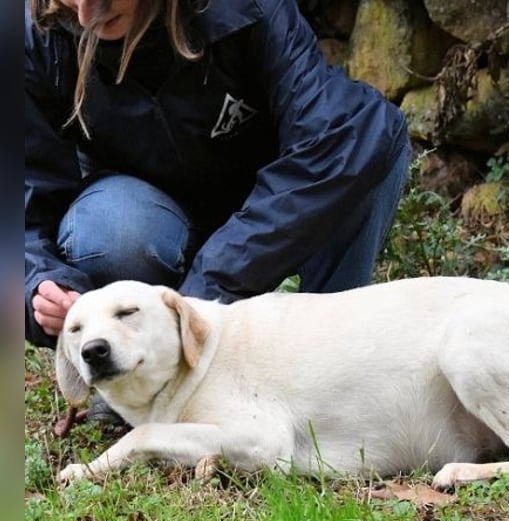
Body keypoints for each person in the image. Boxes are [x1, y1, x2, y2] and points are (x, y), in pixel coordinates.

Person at [25, 0, 412, 354]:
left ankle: (326, 352)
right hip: (150, 220)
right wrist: (39, 285)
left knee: (372, 144)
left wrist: (209, 286)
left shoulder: (245, 7)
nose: (86, 14)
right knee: (111, 230)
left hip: (272, 213)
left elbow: (344, 133)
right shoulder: (31, 34)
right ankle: (149, 365)